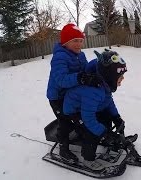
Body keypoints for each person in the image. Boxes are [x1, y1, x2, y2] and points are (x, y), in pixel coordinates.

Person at [63, 50, 128, 170]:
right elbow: (88, 119)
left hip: (89, 107)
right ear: (109, 76)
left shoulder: (103, 83)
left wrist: (116, 117)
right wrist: (102, 133)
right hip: (74, 112)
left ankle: (106, 139)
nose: (122, 79)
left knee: (106, 119)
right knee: (91, 131)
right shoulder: (92, 91)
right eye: (120, 76)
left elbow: (108, 101)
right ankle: (88, 158)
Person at [46, 23, 101, 161]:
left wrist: (97, 68)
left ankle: (83, 135)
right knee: (65, 121)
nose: (79, 44)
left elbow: (86, 69)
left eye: (81, 41)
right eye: (75, 41)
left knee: (81, 115)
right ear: (65, 42)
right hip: (58, 97)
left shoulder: (80, 55)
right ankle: (63, 148)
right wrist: (80, 77)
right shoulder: (60, 57)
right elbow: (61, 79)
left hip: (72, 94)